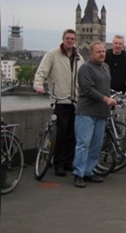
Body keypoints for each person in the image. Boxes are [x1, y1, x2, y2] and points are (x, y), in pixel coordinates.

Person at [33, 29, 84, 177]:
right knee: (61, 133)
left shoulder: (79, 57)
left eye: (72, 38)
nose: (70, 41)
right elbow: (41, 71)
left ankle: (69, 162)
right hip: (60, 99)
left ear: (75, 40)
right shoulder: (52, 54)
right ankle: (59, 164)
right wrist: (39, 85)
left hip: (75, 100)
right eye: (67, 38)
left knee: (73, 134)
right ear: (63, 39)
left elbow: (83, 77)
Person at [72, 41, 118, 187]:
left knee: (96, 145)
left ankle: (88, 171)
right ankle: (78, 173)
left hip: (101, 112)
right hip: (86, 111)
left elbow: (105, 87)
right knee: (83, 143)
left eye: (103, 51)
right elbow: (87, 89)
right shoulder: (85, 68)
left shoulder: (105, 67)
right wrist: (105, 99)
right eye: (98, 52)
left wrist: (111, 97)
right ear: (91, 54)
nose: (102, 54)